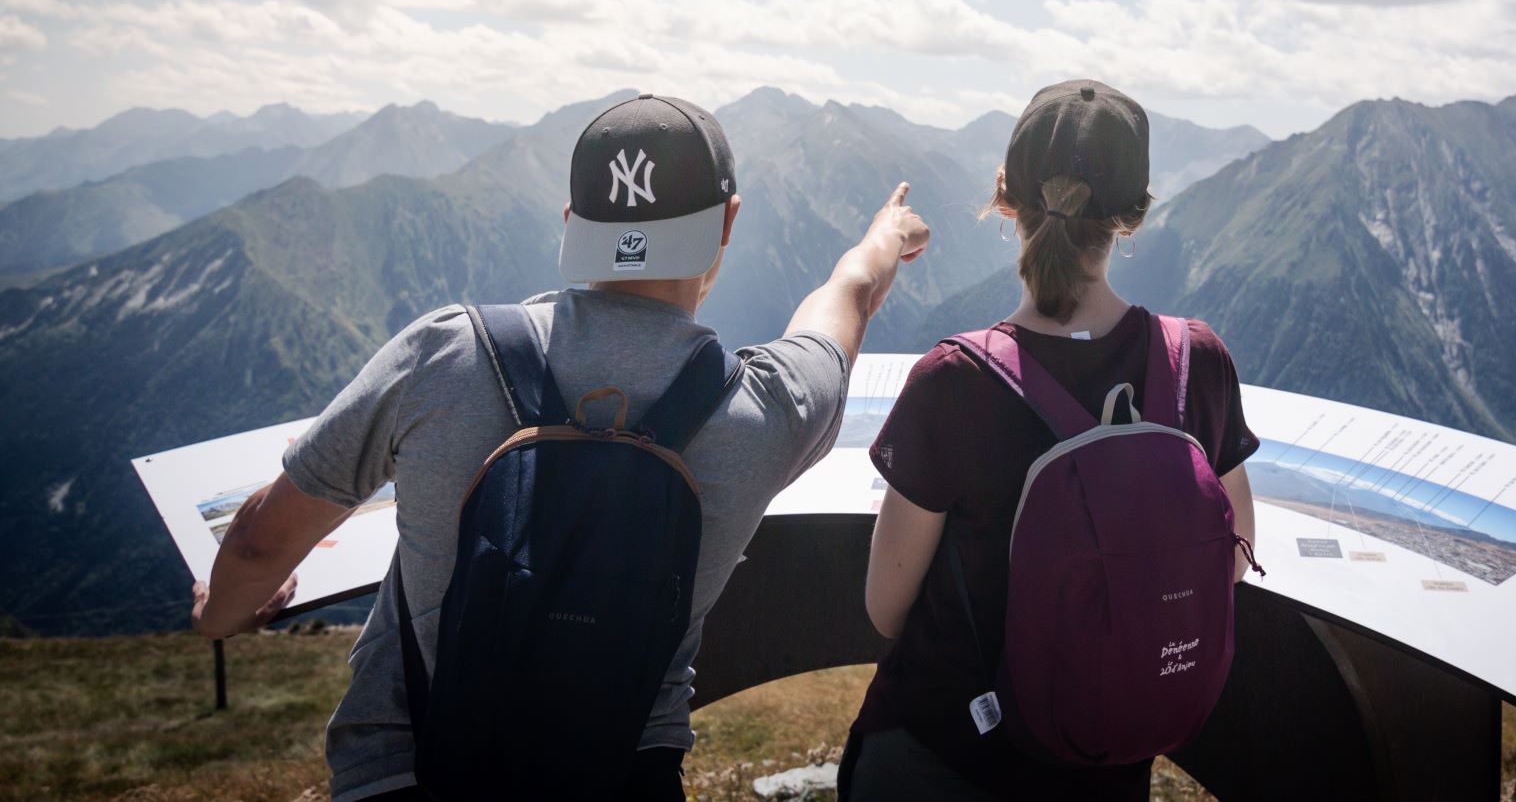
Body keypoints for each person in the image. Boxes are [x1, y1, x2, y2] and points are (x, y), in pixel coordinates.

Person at [190, 93, 930, 802]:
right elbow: (848, 296)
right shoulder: (772, 406)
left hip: (407, 772)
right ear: (727, 222)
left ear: (572, 219)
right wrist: (885, 237)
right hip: (623, 772)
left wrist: (221, 616)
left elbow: (258, 545)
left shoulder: (445, 353)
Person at [844, 80, 1258, 801]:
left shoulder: (954, 378)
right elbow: (1230, 560)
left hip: (942, 758)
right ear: (1130, 216)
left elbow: (887, 605)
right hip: (1102, 757)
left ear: (1006, 199)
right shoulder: (1199, 362)